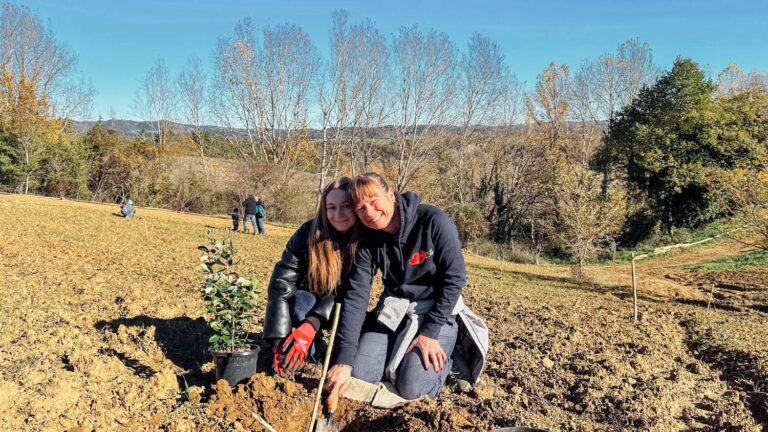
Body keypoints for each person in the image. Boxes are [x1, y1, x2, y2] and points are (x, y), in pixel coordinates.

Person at [324, 172, 487, 402]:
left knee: (412, 388)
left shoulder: (433, 221)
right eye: (360, 208)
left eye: (373, 201)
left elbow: (455, 277)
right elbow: (356, 296)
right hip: (396, 309)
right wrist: (344, 361)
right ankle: (399, 353)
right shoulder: (366, 239)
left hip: (437, 311)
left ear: (391, 195)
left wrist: (430, 333)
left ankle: (451, 360)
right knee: (360, 373)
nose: (369, 213)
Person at [263, 177, 359, 376]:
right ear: (324, 209)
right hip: (309, 301)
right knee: (299, 299)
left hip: (346, 307)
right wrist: (278, 341)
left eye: (345, 206)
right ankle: (303, 355)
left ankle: (326, 349)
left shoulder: (363, 241)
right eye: (331, 207)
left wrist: (312, 324)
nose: (338, 214)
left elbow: (350, 293)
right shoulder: (308, 233)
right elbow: (281, 283)